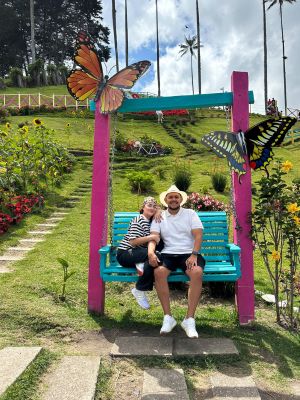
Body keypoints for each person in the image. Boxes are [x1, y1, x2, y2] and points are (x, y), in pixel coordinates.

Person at [148, 185, 205, 338]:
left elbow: (198, 235)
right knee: (158, 272)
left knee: (197, 272)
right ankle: (168, 317)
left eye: (176, 197)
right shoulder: (160, 216)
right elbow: (154, 237)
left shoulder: (190, 213)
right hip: (168, 254)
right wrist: (151, 253)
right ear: (166, 200)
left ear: (181, 199)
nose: (173, 199)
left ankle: (189, 319)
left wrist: (194, 255)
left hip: (188, 253)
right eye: (170, 197)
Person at [116, 197, 161, 310]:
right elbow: (133, 241)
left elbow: (162, 211)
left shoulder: (149, 221)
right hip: (125, 253)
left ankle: (141, 265)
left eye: (154, 206)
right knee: (155, 256)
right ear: (143, 208)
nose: (152, 207)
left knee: (156, 257)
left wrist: (159, 211)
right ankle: (139, 290)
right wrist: (152, 237)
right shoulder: (139, 219)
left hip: (137, 253)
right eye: (149, 205)